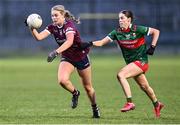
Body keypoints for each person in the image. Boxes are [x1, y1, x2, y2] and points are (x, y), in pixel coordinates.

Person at [80, 10, 164, 118]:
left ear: (129, 20)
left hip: (141, 61)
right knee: (145, 87)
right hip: (132, 64)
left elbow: (156, 32)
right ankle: (157, 104)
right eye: (119, 18)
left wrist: (152, 47)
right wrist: (89, 43)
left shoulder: (137, 29)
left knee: (121, 75)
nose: (120, 20)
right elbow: (101, 42)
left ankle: (130, 102)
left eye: (122, 18)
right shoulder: (117, 32)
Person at [25, 5, 100, 118]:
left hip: (81, 56)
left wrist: (55, 52)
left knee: (88, 87)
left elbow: (69, 42)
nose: (54, 18)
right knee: (62, 80)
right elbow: (39, 37)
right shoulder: (52, 27)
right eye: (52, 16)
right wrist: (31, 26)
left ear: (63, 15)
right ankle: (75, 93)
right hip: (67, 57)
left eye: (56, 15)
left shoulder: (69, 26)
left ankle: (95, 108)